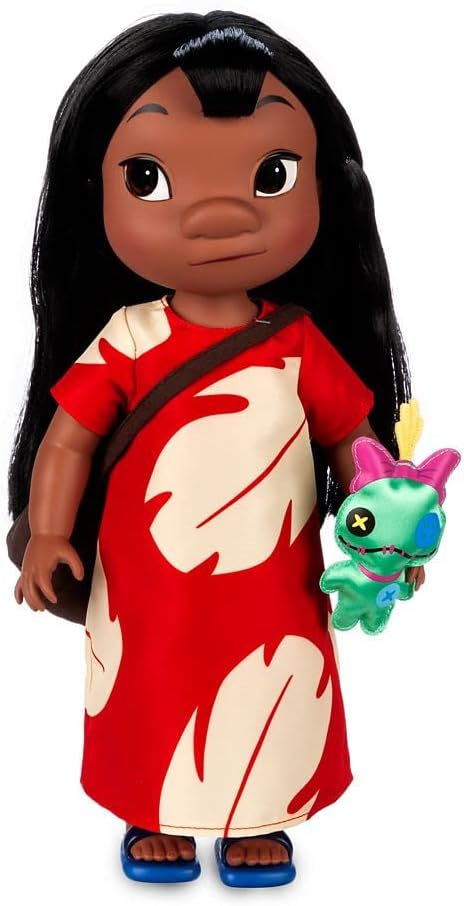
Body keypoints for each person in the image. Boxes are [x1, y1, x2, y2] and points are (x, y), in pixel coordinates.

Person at [7, 10, 425, 887]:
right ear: (96, 192)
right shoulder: (129, 338)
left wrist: (385, 529)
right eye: (150, 178)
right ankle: (149, 806)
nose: (220, 214)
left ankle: (257, 816)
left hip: (275, 585)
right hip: (147, 584)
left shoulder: (296, 342)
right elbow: (68, 440)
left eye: (272, 175)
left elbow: (351, 442)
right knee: (149, 681)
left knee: (274, 689)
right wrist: (47, 532)